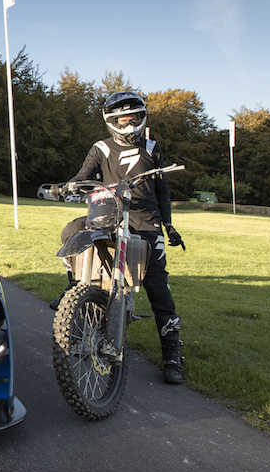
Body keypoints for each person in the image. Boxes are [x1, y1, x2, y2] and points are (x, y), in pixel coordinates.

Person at [52, 91, 186, 384]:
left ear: (141, 119)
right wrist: (66, 186)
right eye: (122, 120)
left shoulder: (152, 147)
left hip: (145, 222)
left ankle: (173, 356)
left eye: (133, 119)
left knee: (157, 286)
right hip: (108, 214)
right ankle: (74, 288)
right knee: (71, 232)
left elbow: (161, 191)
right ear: (111, 121)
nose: (128, 126)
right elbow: (83, 175)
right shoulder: (100, 147)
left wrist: (169, 225)